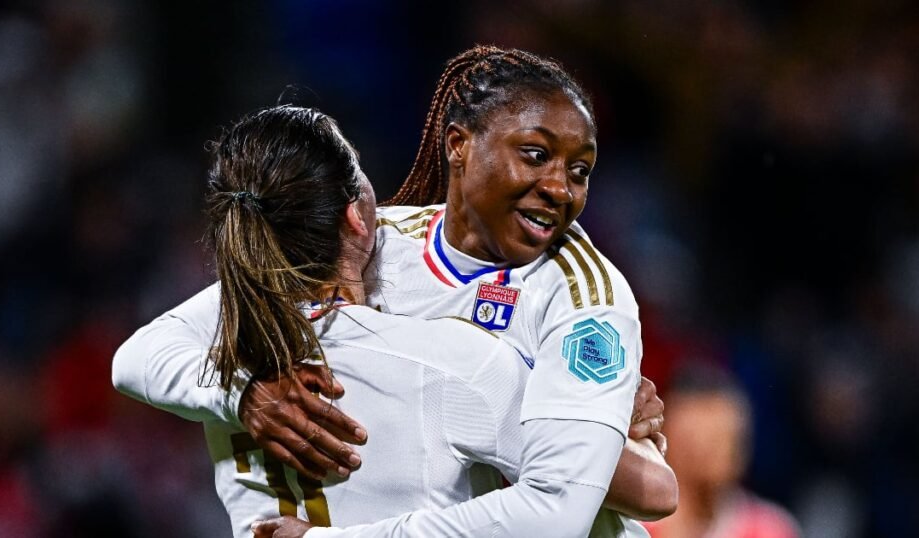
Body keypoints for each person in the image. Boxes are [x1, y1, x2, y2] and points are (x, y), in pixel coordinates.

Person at [114, 46, 677, 536]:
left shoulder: (583, 293)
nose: (559, 187)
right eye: (535, 154)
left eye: (580, 170)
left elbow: (139, 358)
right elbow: (645, 489)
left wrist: (237, 390)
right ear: (458, 144)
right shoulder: (445, 336)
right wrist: (244, 391)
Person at [642, 365, 799, 538]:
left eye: (727, 440)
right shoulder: (631, 528)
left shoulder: (771, 530)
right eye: (706, 440)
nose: (715, 455)